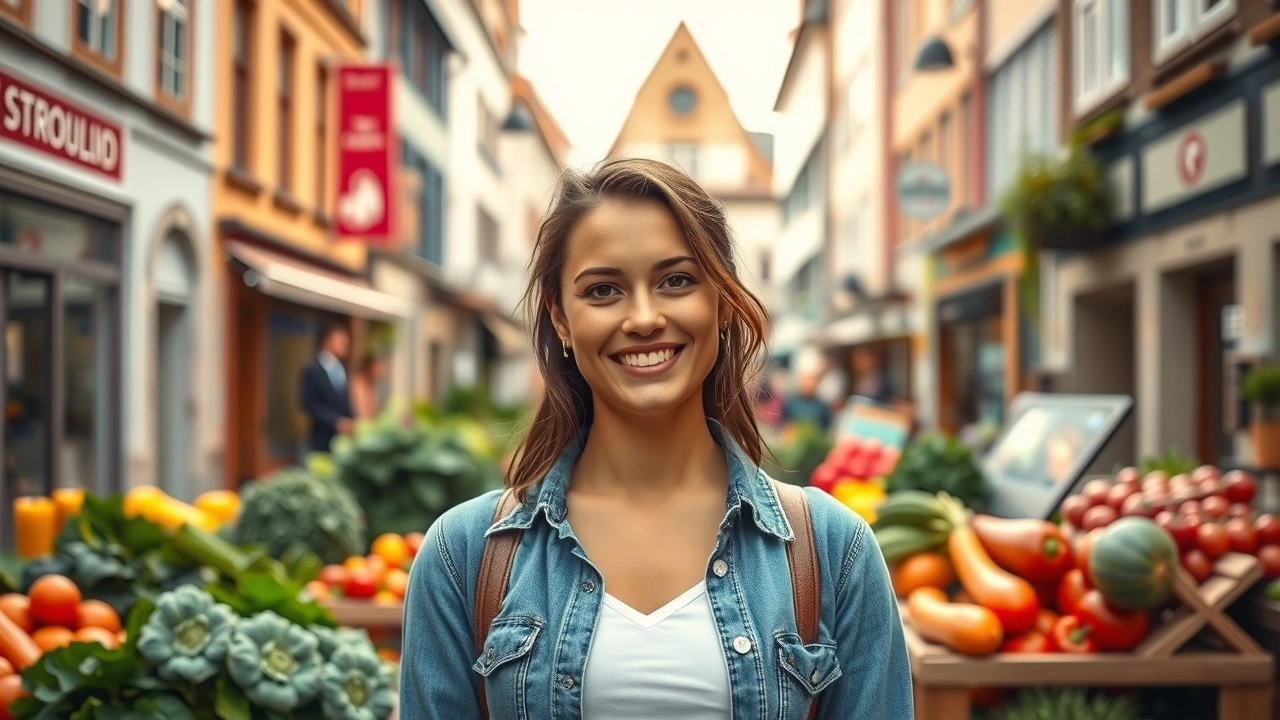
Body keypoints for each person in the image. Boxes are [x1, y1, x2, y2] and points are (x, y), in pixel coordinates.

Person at [400, 157, 912, 719]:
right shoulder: (462, 556)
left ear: (720, 301)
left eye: (677, 281)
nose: (643, 317)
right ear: (561, 319)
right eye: (602, 291)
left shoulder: (836, 554)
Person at [299, 322, 354, 453]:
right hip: (322, 437)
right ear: (328, 340)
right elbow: (308, 403)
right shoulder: (312, 369)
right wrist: (335, 421)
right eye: (340, 341)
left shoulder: (343, 368)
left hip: (344, 438)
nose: (344, 345)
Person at [349, 352, 388, 420]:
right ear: (370, 367)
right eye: (378, 367)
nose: (381, 371)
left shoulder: (371, 385)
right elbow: (361, 414)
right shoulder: (358, 384)